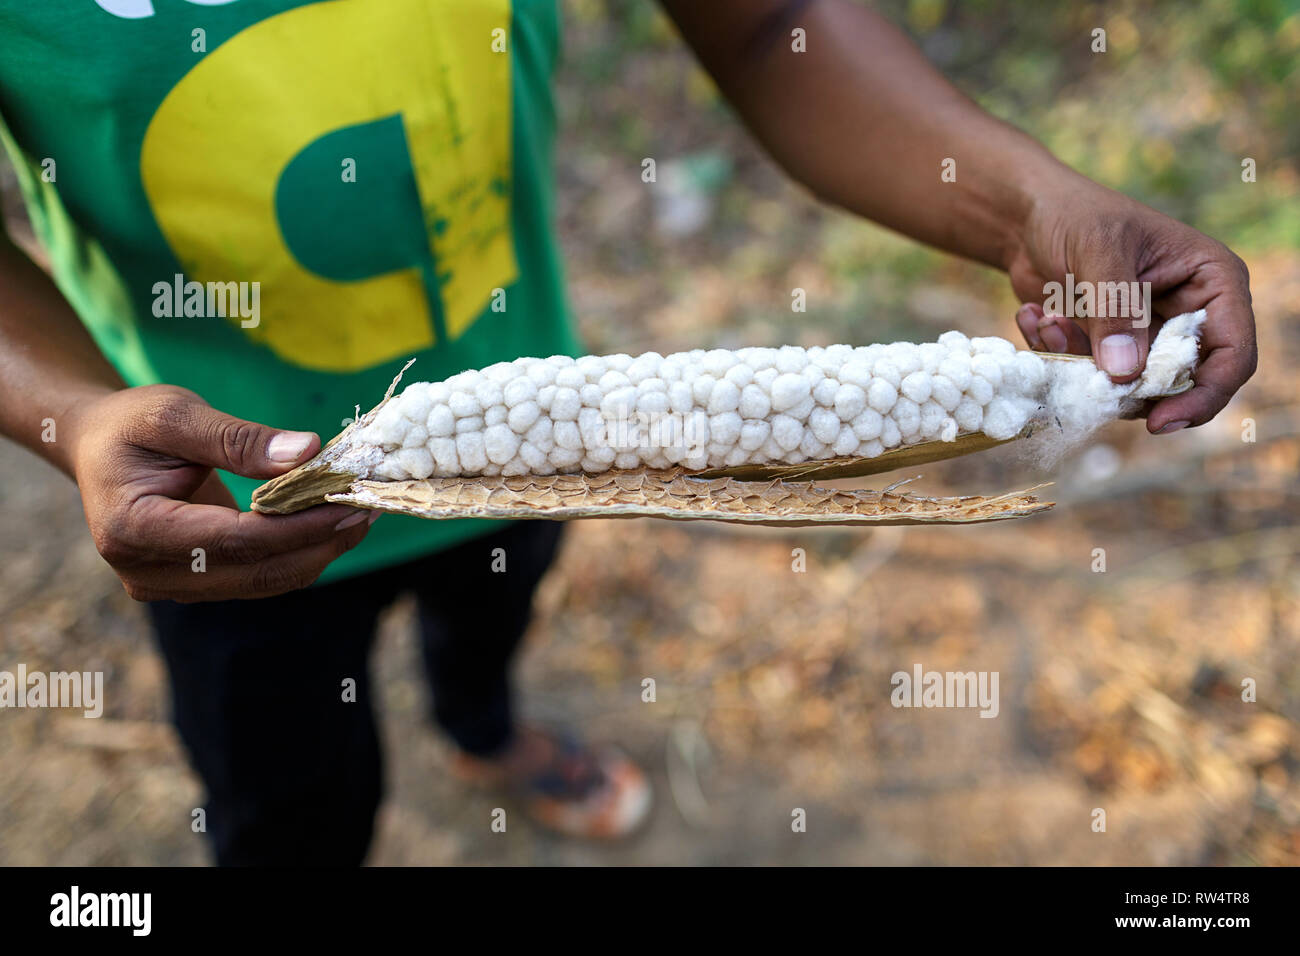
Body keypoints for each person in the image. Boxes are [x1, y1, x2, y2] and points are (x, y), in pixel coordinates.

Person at [0, 0, 1256, 864]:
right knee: (288, 793)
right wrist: (74, 415)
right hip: (218, 491)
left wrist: (1027, 197)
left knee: (492, 611)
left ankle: (485, 733)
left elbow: (765, 22)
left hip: (539, 446)